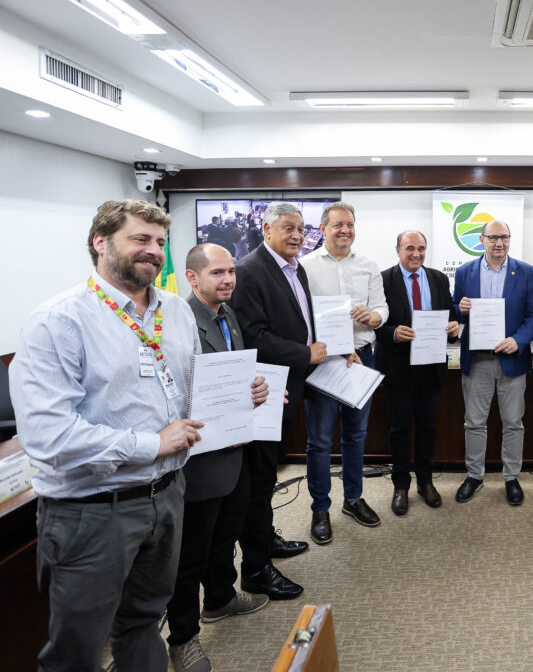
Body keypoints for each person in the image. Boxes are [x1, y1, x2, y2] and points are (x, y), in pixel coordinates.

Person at [10, 199, 266, 671]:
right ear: (100, 242)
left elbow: (193, 392)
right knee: (78, 649)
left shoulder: (175, 310)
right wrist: (153, 444)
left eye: (160, 242)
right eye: (140, 239)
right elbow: (48, 437)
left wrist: (239, 395)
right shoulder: (59, 320)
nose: (153, 250)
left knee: (142, 623)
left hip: (167, 496)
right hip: (92, 510)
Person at [165, 243, 270, 672]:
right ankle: (183, 637)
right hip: (202, 455)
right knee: (191, 552)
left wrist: (256, 388)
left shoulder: (228, 314)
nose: (228, 280)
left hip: (236, 447)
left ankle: (221, 598)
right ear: (192, 278)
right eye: (217, 273)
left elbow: (233, 374)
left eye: (231, 272)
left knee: (227, 531)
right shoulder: (178, 321)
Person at [231, 201, 321, 599]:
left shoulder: (295, 267)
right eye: (288, 228)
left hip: (288, 387)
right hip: (265, 391)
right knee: (259, 478)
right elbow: (253, 337)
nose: (297, 235)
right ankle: (255, 568)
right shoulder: (250, 270)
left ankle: (265, 540)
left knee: (269, 473)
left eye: (300, 228)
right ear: (267, 230)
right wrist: (305, 354)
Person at [300, 201, 388, 539]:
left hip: (361, 360)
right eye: (338, 225)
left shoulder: (368, 265)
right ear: (323, 229)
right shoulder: (304, 266)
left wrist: (373, 317)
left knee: (356, 435)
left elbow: (382, 308)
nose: (345, 230)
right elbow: (302, 316)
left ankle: (353, 498)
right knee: (320, 441)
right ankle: (320, 507)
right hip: (324, 363)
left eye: (350, 225)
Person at [452, 219, 533, 505]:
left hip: (512, 359)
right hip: (477, 359)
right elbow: (455, 310)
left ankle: (511, 477)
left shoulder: (525, 271)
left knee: (513, 422)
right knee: (474, 422)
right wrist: (460, 309)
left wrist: (519, 340)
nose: (499, 243)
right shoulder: (465, 272)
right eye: (493, 238)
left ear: (509, 240)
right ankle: (474, 476)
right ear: (481, 240)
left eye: (504, 237)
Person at [374, 231, 460, 515]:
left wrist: (453, 328)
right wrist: (392, 333)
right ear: (398, 250)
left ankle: (425, 482)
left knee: (428, 428)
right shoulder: (383, 280)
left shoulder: (438, 278)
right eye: (410, 248)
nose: (416, 253)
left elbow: (450, 318)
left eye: (421, 248)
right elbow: (374, 324)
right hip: (398, 367)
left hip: (431, 368)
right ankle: (401, 486)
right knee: (399, 430)